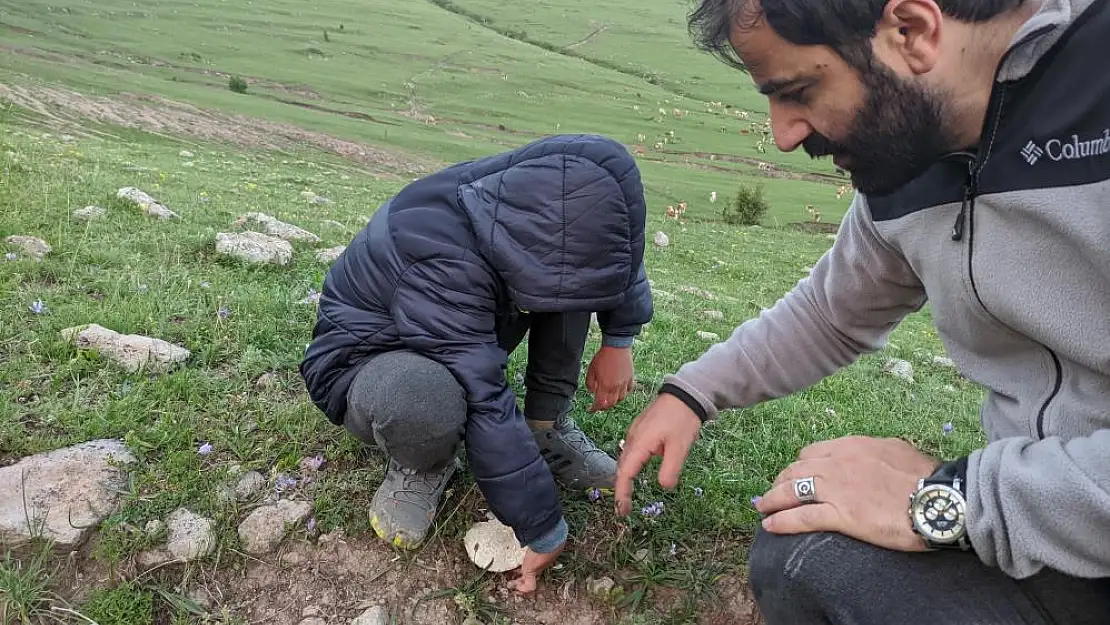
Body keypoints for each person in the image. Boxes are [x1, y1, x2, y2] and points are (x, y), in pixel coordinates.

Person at [614, 0, 1110, 622]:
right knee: (806, 554)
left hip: (1050, 507)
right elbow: (833, 313)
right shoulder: (912, 147)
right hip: (1051, 533)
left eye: (799, 89)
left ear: (912, 31)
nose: (784, 134)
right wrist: (692, 393)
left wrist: (957, 498)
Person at [300, 133, 652, 593]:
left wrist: (618, 339)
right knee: (425, 398)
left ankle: (545, 427)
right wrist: (542, 528)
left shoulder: (537, 202)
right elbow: (484, 396)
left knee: (571, 280)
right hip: (369, 361)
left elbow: (613, 249)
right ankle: (422, 462)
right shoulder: (435, 251)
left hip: (451, 331)